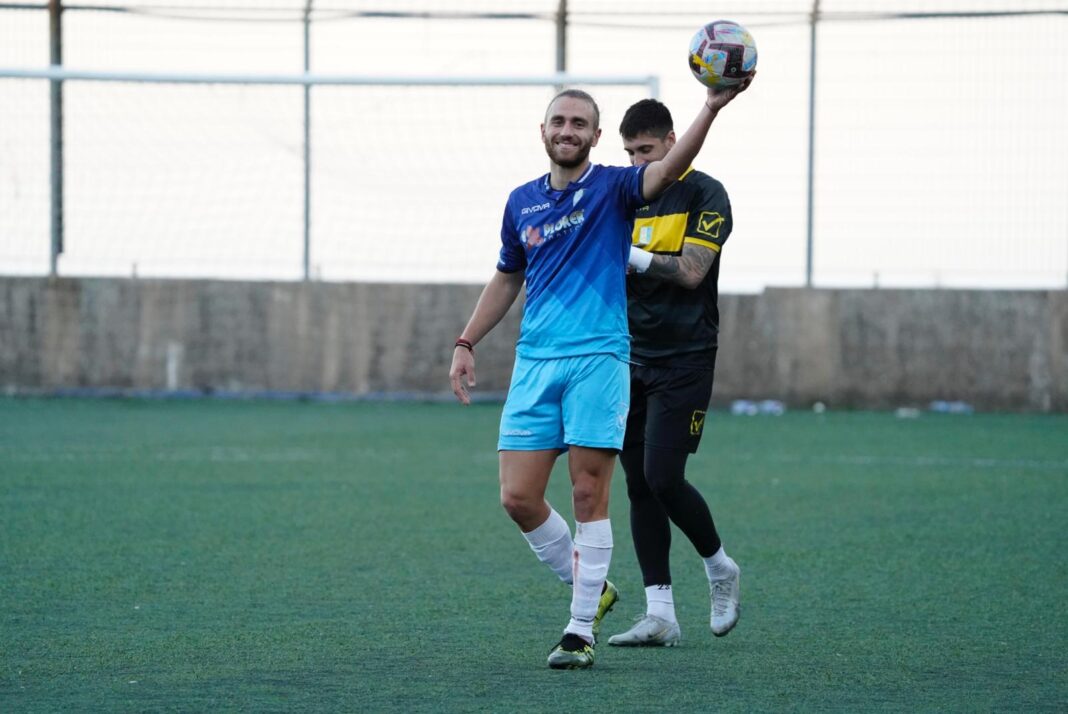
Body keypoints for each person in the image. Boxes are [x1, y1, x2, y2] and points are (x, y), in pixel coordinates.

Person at [449, 78, 752, 669]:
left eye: (579, 124)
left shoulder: (616, 188)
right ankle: (608, 592)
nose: (568, 131)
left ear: (593, 137)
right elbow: (508, 274)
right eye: (558, 122)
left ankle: (580, 629)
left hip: (610, 359)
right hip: (537, 363)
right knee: (517, 498)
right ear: (543, 132)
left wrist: (711, 107)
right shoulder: (521, 202)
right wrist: (466, 340)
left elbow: (667, 178)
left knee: (600, 491)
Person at [606, 98, 741, 649]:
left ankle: (719, 566)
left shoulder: (707, 194)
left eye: (646, 150)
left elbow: (690, 271)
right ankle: (660, 612)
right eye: (629, 153)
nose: (638, 162)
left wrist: (630, 256)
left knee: (663, 477)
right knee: (637, 484)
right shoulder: (624, 197)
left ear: (670, 143)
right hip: (625, 355)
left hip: (685, 355)